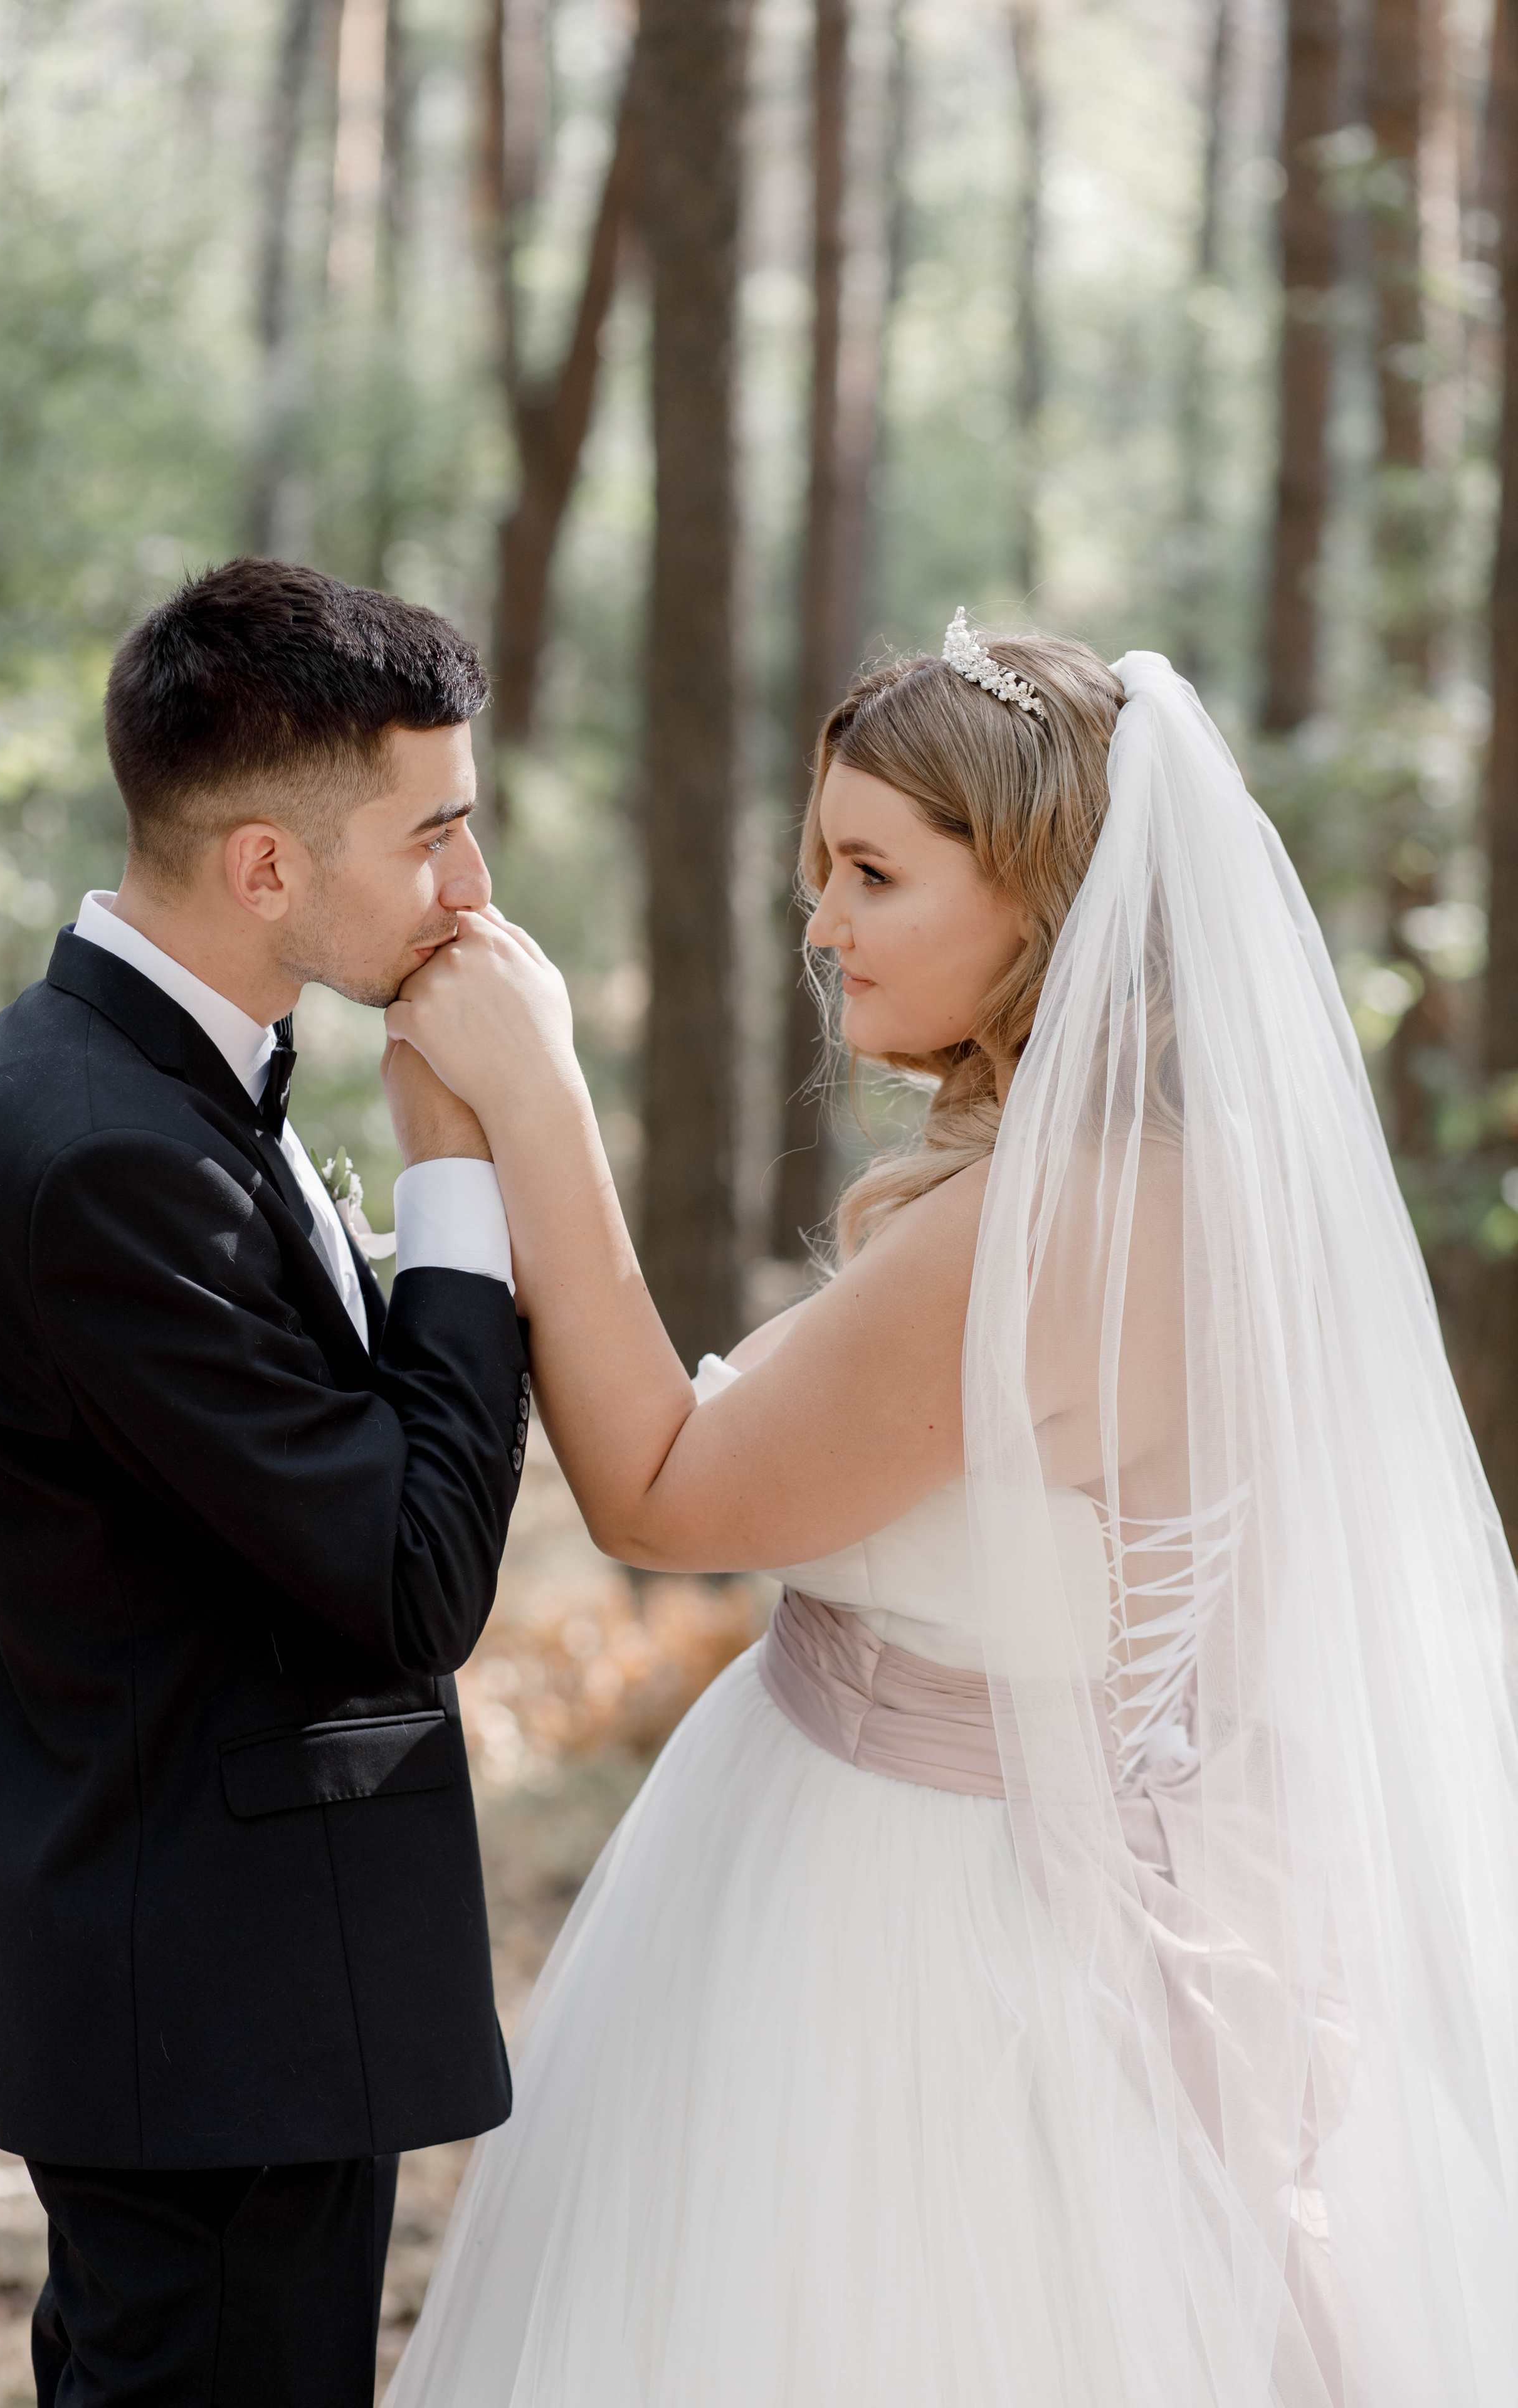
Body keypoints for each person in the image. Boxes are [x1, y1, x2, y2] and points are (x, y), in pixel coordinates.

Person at [381, 623, 1518, 2405]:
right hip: (991, 1859)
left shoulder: (1056, 1228)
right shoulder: (1150, 1184)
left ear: (1045, 900)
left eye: (873, 873)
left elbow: (663, 1489)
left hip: (922, 1933)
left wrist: (532, 1102)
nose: (821, 921)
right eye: (816, 869)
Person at [0, 559, 533, 2407]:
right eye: (435, 835)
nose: (470, 887)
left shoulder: (146, 1091)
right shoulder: (105, 1154)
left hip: (230, 2002)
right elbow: (418, 1575)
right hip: (208, 2019)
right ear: (267, 866)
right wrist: (456, 1182)